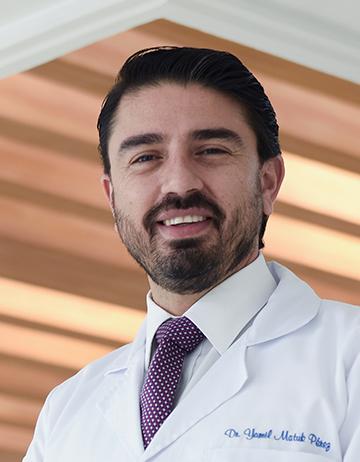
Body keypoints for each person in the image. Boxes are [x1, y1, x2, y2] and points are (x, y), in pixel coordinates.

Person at [23, 46, 359, 462]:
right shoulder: (67, 409)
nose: (179, 183)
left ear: (268, 182)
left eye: (211, 150)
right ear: (112, 197)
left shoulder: (350, 357)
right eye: (146, 157)